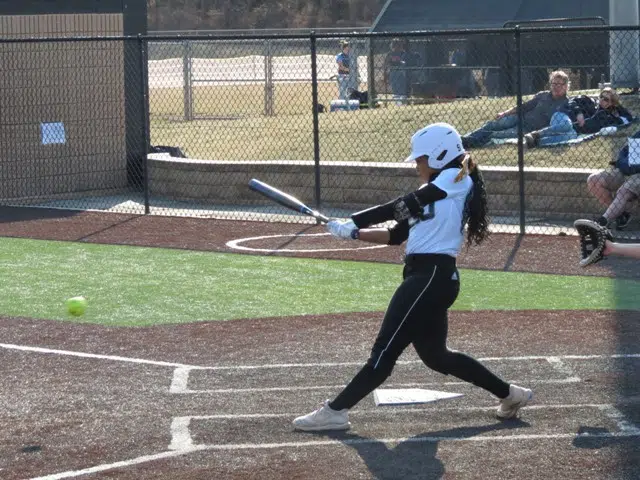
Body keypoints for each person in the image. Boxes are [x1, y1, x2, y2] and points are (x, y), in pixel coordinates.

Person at [292, 123, 533, 432]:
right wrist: (352, 233)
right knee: (437, 356)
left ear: (438, 154)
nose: (417, 164)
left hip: (431, 277)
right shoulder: (433, 189)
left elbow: (399, 206)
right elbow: (395, 235)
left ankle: (336, 411)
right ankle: (510, 394)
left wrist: (354, 218)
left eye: (420, 158)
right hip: (428, 278)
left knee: (385, 352)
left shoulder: (456, 179)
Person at [461, 70, 570, 149]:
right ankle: (465, 139)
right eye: (553, 83)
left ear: (565, 86)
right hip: (518, 118)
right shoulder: (543, 95)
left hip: (527, 129)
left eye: (559, 84)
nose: (555, 87)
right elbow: (524, 106)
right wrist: (505, 113)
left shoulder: (566, 103)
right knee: (491, 124)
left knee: (495, 134)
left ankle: (469, 143)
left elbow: (564, 123)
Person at [524, 87, 634, 148]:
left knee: (571, 136)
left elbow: (628, 118)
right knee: (566, 125)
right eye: (601, 96)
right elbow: (572, 101)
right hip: (563, 116)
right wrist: (578, 113)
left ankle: (535, 143)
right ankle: (536, 134)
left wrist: (617, 106)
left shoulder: (608, 118)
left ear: (611, 103)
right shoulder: (589, 100)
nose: (602, 100)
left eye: (606, 99)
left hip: (575, 130)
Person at [587, 131, 640, 231]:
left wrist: (629, 164)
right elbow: (623, 153)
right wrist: (624, 163)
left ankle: (601, 223)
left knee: (624, 191)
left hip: (637, 174)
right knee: (593, 180)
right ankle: (621, 214)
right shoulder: (639, 134)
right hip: (626, 170)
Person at [383, 38, 409, 105]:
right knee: (395, 87)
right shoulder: (390, 54)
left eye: (398, 45)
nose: (396, 47)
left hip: (402, 72)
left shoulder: (403, 53)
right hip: (393, 72)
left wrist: (401, 62)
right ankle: (398, 103)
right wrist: (385, 74)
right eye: (394, 45)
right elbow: (386, 64)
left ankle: (403, 102)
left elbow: (406, 63)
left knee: (402, 87)